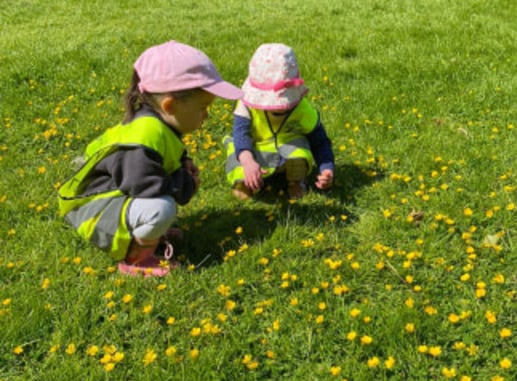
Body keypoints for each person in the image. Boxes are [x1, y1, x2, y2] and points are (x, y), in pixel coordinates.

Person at [58, 40, 243, 277]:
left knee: (159, 205)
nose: (206, 115)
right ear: (170, 105)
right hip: (90, 211)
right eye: (202, 107)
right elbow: (143, 184)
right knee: (160, 208)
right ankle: (136, 259)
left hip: (109, 199)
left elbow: (164, 155)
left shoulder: (158, 124)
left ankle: (148, 236)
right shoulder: (145, 135)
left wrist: (181, 163)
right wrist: (183, 183)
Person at [224, 43, 335, 200]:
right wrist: (248, 161)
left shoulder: (302, 109)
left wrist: (327, 169)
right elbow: (241, 134)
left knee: (300, 153)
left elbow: (320, 141)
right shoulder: (246, 106)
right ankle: (245, 182)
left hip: (288, 153)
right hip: (255, 151)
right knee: (237, 156)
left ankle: (296, 180)